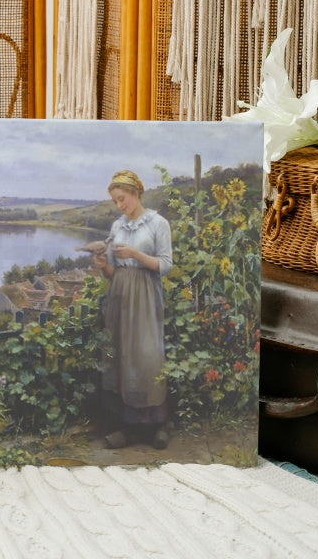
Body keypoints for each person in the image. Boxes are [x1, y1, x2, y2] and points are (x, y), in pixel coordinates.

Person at [93, 169, 173, 450]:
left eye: (122, 199)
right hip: (120, 293)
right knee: (122, 356)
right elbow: (112, 272)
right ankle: (124, 428)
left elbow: (165, 265)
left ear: (136, 193)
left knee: (148, 356)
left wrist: (137, 254)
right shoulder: (117, 227)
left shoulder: (157, 224)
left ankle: (157, 426)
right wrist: (103, 264)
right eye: (115, 201)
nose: (119, 205)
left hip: (146, 294)